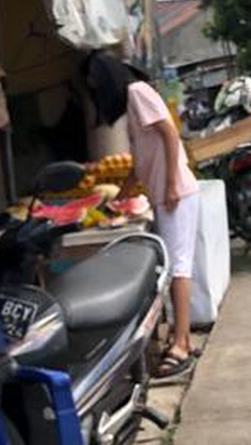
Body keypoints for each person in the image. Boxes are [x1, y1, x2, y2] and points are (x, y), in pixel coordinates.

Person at [84, 53, 201, 378]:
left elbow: (169, 133)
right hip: (164, 194)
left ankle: (180, 344)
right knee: (175, 267)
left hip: (175, 194)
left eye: (94, 83)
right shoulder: (134, 101)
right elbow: (141, 160)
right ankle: (183, 340)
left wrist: (173, 182)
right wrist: (119, 198)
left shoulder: (138, 93)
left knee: (179, 268)